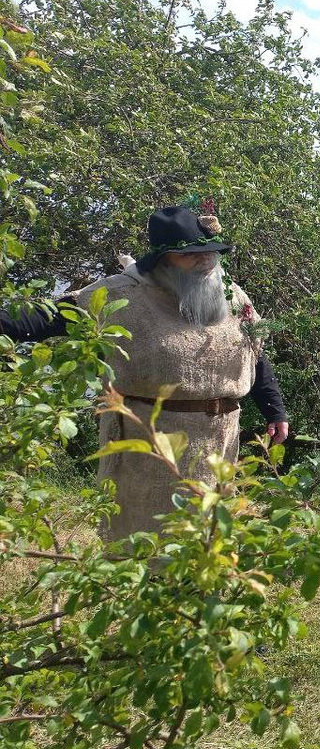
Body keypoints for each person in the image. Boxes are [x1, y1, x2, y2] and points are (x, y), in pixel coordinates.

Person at [1, 205, 289, 540]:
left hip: (220, 439)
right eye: (191, 255)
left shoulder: (230, 295)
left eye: (210, 252)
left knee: (206, 541)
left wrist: (274, 409)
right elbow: (45, 318)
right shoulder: (122, 296)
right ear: (164, 259)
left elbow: (254, 355)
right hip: (149, 442)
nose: (205, 261)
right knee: (145, 541)